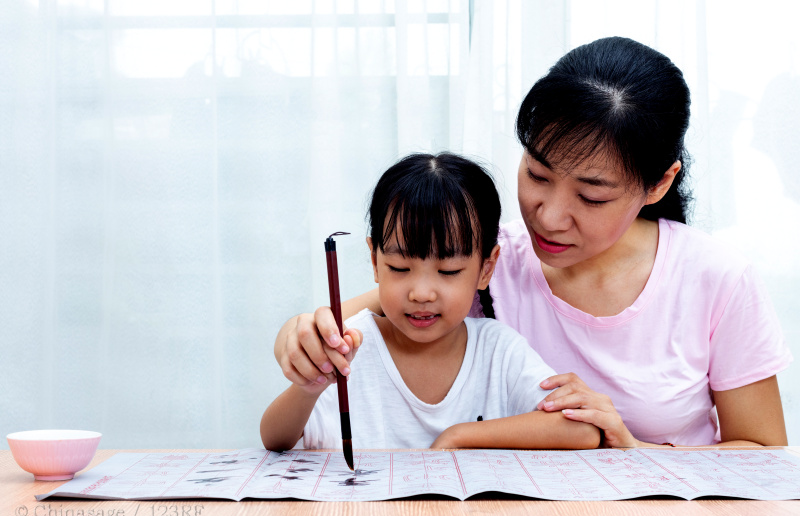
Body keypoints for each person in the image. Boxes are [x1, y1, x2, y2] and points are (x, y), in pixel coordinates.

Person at [273, 37, 792, 448]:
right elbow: (345, 320)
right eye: (538, 175)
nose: (549, 215)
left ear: (657, 184)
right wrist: (300, 336)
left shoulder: (715, 278)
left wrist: (633, 448)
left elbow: (763, 453)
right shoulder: (487, 258)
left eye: (591, 196)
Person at [260, 153, 601, 451]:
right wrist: (309, 388)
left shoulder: (499, 349)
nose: (421, 293)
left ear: (486, 268)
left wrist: (459, 436)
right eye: (400, 267)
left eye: (449, 270)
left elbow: (581, 430)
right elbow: (275, 439)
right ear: (375, 261)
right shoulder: (351, 344)